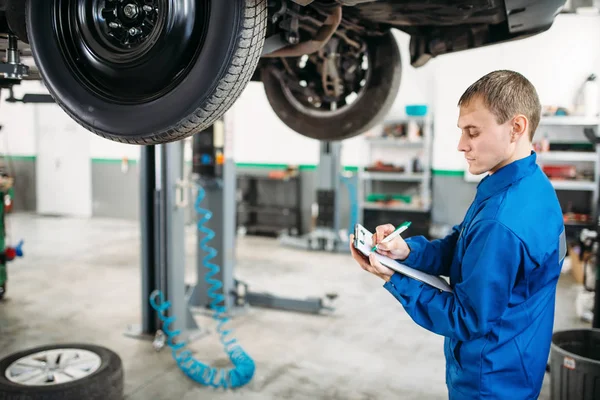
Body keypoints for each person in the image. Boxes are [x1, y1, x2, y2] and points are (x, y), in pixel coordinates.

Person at [350, 70, 566, 399]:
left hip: (488, 381)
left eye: (473, 132)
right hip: (519, 361)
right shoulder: (530, 187)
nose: (461, 145)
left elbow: (467, 318)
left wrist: (394, 278)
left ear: (516, 128)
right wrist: (407, 253)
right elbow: (466, 248)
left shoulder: (502, 220)